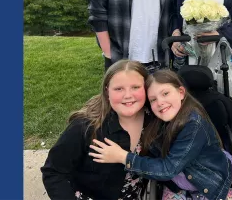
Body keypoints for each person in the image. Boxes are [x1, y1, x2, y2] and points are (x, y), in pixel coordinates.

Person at [89, 69, 232, 200]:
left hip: (208, 182)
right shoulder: (160, 120)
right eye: (153, 99)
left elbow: (167, 170)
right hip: (178, 182)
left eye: (165, 93)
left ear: (181, 93)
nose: (160, 102)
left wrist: (123, 157)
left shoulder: (193, 125)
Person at [41, 60, 153, 200]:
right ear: (107, 91)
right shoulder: (85, 126)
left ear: (146, 88)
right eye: (119, 89)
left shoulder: (154, 121)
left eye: (135, 87)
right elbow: (53, 172)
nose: (128, 95)